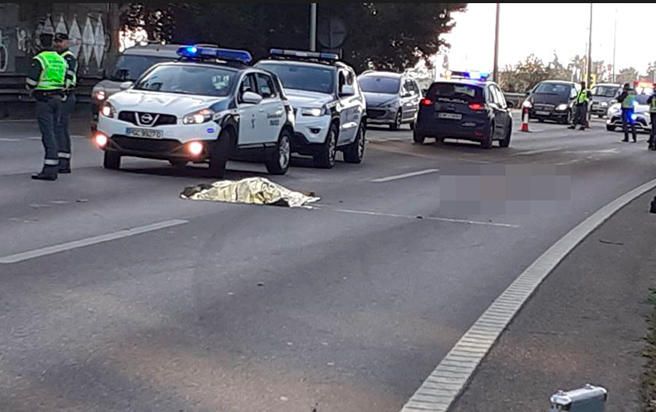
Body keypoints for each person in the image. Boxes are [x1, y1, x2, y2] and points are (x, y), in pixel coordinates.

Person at [26, 32, 68, 180]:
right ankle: (56, 165)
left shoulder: (40, 59)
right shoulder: (60, 59)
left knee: (48, 134)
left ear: (39, 43)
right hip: (58, 98)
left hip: (44, 100)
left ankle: (50, 169)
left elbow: (31, 81)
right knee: (56, 132)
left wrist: (31, 90)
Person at [53, 32, 78, 173]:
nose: (57, 44)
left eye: (61, 41)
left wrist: (63, 90)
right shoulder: (56, 57)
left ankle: (64, 161)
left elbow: (69, 76)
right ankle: (59, 159)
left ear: (67, 43)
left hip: (65, 96)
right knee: (57, 128)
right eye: (56, 41)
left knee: (61, 127)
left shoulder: (68, 58)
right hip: (58, 96)